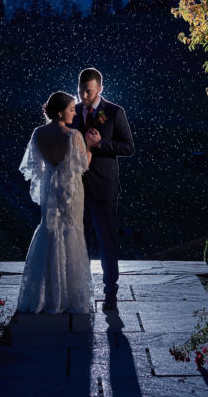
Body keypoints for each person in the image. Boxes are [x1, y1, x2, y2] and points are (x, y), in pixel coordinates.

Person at [16, 91, 95, 313]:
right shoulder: (74, 136)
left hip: (50, 187)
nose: (74, 113)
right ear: (60, 111)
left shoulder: (38, 133)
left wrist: (52, 174)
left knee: (49, 231)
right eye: (71, 109)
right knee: (70, 232)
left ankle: (45, 294)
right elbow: (82, 166)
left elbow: (37, 167)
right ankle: (69, 297)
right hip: (69, 190)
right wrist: (90, 145)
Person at [69, 68, 134, 312]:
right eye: (80, 90)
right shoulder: (72, 111)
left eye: (89, 91)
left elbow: (128, 147)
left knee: (107, 239)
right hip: (76, 186)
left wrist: (101, 144)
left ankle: (110, 291)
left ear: (100, 90)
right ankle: (82, 290)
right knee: (79, 240)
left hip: (104, 187)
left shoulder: (115, 112)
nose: (84, 95)